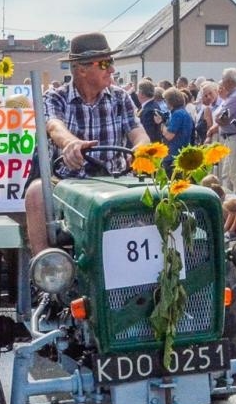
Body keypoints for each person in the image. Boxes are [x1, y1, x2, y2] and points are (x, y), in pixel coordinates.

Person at [25, 34, 147, 253]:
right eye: (104, 63)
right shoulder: (55, 97)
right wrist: (71, 144)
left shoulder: (120, 98)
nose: (111, 69)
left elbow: (138, 132)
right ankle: (47, 271)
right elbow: (54, 126)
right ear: (81, 69)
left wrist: (141, 148)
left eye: (111, 62)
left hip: (115, 181)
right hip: (68, 183)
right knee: (36, 193)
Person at [212, 69, 236, 192]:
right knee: (226, 173)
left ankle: (235, 201)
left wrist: (219, 119)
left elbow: (221, 118)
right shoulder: (232, 96)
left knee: (233, 174)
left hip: (233, 137)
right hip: (228, 137)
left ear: (228, 81)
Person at [160, 88, 195, 157]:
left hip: (175, 154)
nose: (165, 103)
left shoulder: (177, 114)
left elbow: (169, 136)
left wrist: (161, 123)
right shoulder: (183, 112)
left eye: (165, 101)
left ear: (170, 101)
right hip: (183, 152)